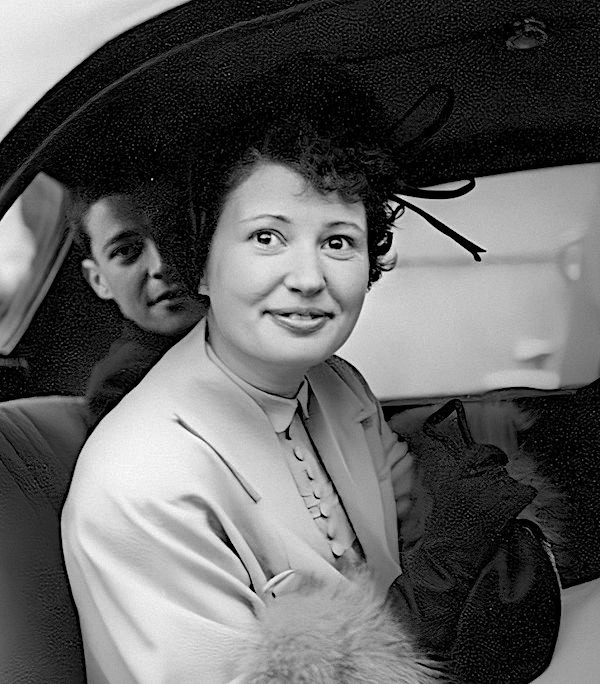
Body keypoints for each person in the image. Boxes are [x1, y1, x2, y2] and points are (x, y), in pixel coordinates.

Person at [61, 85, 558, 682]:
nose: (308, 278)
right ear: (201, 262)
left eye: (337, 241)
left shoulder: (337, 384)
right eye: (266, 237)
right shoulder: (144, 481)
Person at [67, 181, 207, 424]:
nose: (160, 265)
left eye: (174, 235)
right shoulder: (121, 387)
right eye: (125, 251)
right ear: (99, 280)